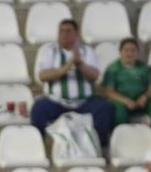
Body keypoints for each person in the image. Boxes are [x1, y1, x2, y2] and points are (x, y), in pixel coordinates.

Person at [31, 18, 112, 147]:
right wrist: (66, 67)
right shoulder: (49, 51)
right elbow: (42, 75)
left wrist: (79, 63)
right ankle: (37, 146)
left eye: (68, 31)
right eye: (61, 31)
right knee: (39, 108)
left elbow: (94, 76)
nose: (64, 34)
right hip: (56, 102)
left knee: (104, 108)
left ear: (76, 34)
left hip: (84, 102)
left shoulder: (87, 51)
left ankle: (100, 146)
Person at [100, 37, 151, 126]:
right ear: (120, 52)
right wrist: (126, 101)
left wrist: (144, 97)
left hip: (141, 102)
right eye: (126, 50)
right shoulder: (113, 68)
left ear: (138, 53)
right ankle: (122, 133)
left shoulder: (144, 67)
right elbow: (109, 91)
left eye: (133, 50)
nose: (130, 53)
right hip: (122, 102)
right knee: (118, 108)